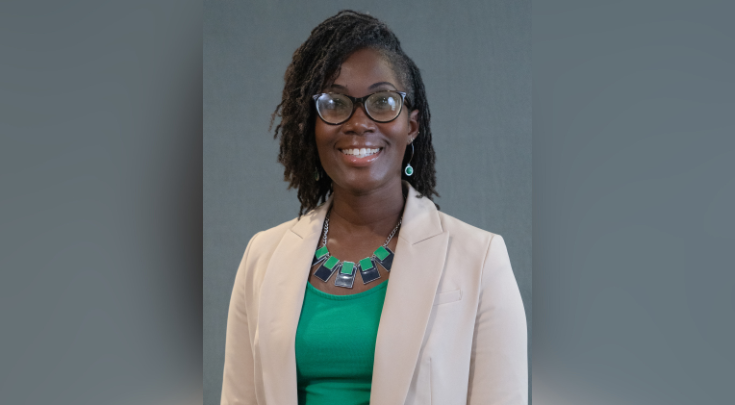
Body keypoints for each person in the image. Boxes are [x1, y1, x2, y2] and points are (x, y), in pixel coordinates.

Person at [221, 10, 527, 405]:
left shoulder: (480, 259)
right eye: (335, 104)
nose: (359, 122)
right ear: (310, 125)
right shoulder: (262, 256)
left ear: (411, 125)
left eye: (382, 102)